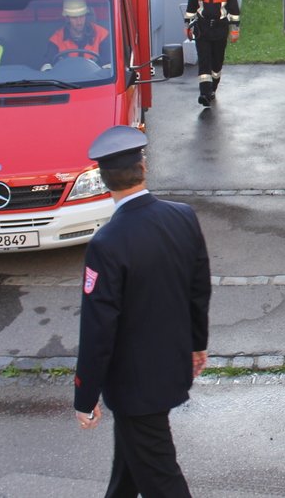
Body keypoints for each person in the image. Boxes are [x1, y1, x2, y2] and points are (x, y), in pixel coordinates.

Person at [73, 125, 212, 498]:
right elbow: (199, 291)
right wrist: (197, 344)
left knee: (161, 479)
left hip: (134, 386)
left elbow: (98, 329)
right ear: (143, 167)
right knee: (130, 462)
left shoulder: (106, 243)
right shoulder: (183, 217)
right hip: (169, 366)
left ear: (104, 181)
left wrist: (85, 395)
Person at [185, 0, 240, 107]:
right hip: (202, 28)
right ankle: (204, 93)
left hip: (220, 28)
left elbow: (234, 11)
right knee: (204, 61)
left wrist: (235, 30)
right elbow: (191, 8)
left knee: (216, 64)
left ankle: (212, 89)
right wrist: (187, 26)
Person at [42, 0, 109, 70]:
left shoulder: (101, 34)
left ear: (86, 15)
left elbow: (109, 66)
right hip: (66, 76)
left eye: (82, 16)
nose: (79, 22)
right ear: (67, 18)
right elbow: (47, 66)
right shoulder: (56, 39)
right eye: (74, 18)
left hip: (96, 77)